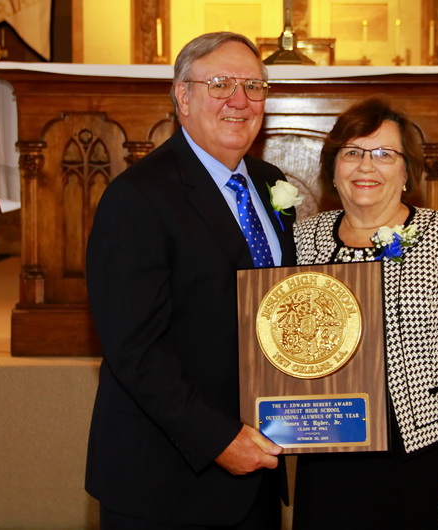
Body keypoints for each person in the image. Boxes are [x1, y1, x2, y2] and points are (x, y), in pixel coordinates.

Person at [84, 32, 297, 529]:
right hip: (167, 480)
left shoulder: (270, 182)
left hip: (259, 468)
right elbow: (134, 348)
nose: (240, 101)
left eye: (253, 85)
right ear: (183, 96)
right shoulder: (137, 197)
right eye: (220, 84)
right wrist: (219, 439)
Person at [292, 98, 438, 530]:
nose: (366, 166)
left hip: (420, 457)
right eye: (352, 152)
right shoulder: (302, 239)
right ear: (332, 167)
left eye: (385, 154)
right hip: (327, 454)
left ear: (407, 172)